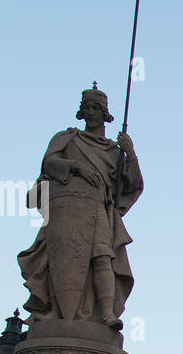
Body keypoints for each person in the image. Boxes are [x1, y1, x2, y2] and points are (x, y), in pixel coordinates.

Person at [18, 83, 143, 329]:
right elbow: (49, 164)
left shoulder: (114, 152)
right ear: (81, 112)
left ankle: (107, 313)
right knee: (61, 261)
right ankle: (58, 312)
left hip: (97, 210)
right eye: (87, 107)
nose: (92, 112)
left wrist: (131, 154)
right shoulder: (67, 138)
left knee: (102, 257)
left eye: (96, 108)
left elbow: (132, 184)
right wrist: (75, 165)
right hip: (66, 213)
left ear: (105, 113)